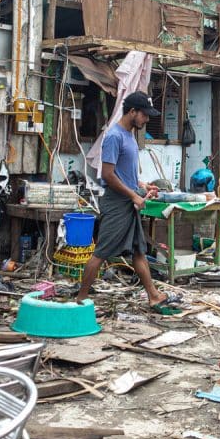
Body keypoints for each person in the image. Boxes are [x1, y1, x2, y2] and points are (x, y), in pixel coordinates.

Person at [75, 91, 177, 312]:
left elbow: (124, 173)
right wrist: (133, 196)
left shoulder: (129, 135)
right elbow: (108, 175)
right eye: (144, 115)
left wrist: (142, 185)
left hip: (128, 200)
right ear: (132, 112)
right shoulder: (114, 136)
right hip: (117, 203)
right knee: (101, 253)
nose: (147, 120)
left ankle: (153, 296)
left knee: (139, 250)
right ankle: (80, 300)